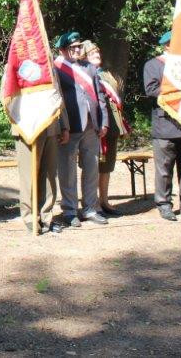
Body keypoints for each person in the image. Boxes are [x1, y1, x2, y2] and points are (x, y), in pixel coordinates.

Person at [53, 31, 109, 227]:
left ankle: (90, 208)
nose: (77, 49)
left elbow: (100, 95)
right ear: (62, 50)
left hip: (91, 126)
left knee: (92, 168)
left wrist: (104, 121)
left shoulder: (90, 68)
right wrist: (61, 126)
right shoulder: (56, 68)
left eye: (79, 46)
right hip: (70, 126)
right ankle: (69, 210)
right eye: (72, 47)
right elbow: (55, 99)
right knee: (67, 170)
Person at [144, 31, 181, 221]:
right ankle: (164, 204)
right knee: (164, 170)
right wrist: (175, 89)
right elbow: (150, 89)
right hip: (165, 124)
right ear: (167, 46)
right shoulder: (153, 65)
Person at [83, 40, 131, 216]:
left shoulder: (107, 75)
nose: (97, 55)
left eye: (97, 52)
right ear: (85, 56)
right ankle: (91, 202)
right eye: (92, 53)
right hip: (95, 128)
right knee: (93, 167)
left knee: (107, 166)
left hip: (110, 127)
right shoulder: (84, 74)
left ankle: (104, 201)